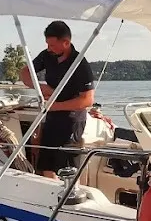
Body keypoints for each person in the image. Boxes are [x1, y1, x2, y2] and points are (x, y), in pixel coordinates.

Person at [20, 20, 96, 177]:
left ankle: (70, 191)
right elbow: (25, 73)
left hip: (71, 122)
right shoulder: (47, 56)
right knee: (47, 166)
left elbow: (87, 100)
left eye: (52, 45)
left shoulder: (80, 64)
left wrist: (55, 106)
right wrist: (41, 87)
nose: (49, 48)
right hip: (51, 118)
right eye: (47, 44)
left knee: (67, 170)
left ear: (66, 43)